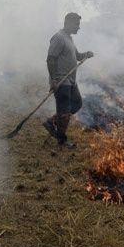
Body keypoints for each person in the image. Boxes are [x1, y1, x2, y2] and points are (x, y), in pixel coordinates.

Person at [43, 12, 94, 148]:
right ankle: (62, 140)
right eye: (77, 24)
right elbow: (50, 59)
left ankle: (51, 122)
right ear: (68, 23)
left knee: (77, 103)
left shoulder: (69, 39)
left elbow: (77, 56)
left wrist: (86, 55)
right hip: (61, 80)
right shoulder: (58, 38)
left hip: (71, 80)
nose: (78, 27)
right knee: (64, 111)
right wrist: (54, 80)